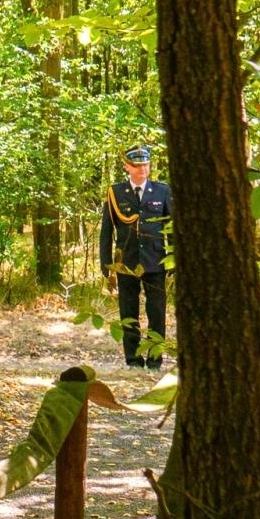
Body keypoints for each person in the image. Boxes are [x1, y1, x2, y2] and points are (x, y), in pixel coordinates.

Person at [99, 145, 171, 370]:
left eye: (146, 165)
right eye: (138, 166)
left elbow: (170, 227)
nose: (143, 169)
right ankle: (133, 360)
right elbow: (107, 230)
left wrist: (173, 259)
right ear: (127, 167)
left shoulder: (162, 191)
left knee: (157, 313)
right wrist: (105, 263)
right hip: (126, 262)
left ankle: (155, 360)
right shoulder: (116, 193)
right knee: (128, 312)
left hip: (155, 261)